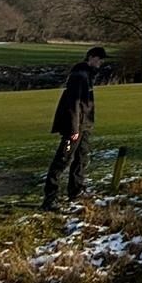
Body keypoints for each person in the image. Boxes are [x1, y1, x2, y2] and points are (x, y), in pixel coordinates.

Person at [42, 46, 106, 210]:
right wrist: (73, 130)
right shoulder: (79, 76)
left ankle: (76, 190)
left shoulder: (87, 75)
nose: (100, 63)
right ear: (90, 58)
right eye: (99, 59)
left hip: (84, 126)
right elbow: (73, 104)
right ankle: (50, 198)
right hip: (74, 129)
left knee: (81, 158)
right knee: (63, 159)